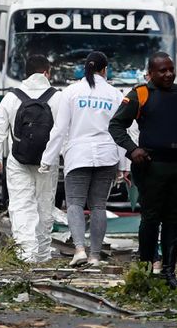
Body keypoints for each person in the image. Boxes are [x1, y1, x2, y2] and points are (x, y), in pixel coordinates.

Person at [109, 52, 177, 288]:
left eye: (171, 69)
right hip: (151, 166)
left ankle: (169, 274)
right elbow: (116, 125)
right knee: (150, 220)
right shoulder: (141, 94)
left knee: (172, 220)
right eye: (162, 70)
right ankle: (147, 270)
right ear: (151, 73)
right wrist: (132, 150)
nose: (168, 74)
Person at [40, 52, 122, 267]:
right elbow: (124, 131)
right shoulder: (115, 94)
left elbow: (60, 129)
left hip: (78, 155)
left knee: (75, 203)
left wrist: (47, 159)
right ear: (105, 70)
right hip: (107, 155)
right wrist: (124, 166)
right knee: (99, 206)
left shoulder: (71, 92)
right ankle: (95, 255)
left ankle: (79, 250)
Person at [0, 55, 60, 263]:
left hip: (18, 160)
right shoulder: (57, 97)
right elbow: (64, 130)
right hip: (48, 161)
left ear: (26, 73)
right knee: (44, 206)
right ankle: (43, 254)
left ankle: (25, 254)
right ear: (47, 72)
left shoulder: (12, 97)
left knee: (20, 205)